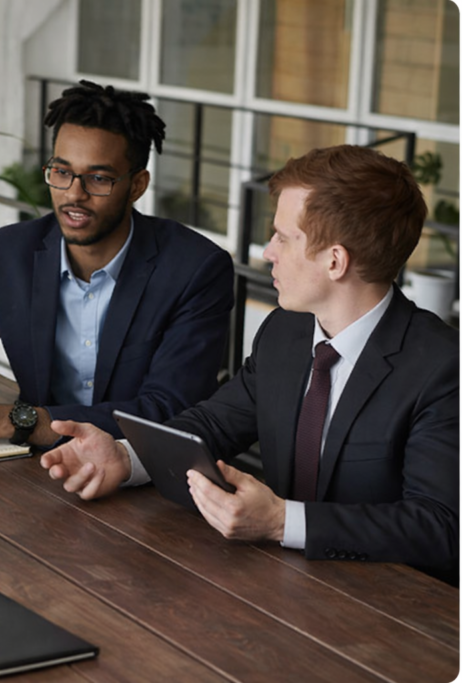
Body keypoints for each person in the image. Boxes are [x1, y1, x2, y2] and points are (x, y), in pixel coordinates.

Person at [40, 145, 458, 581]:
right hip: (275, 585)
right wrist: (125, 459)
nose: (267, 252)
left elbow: (440, 527)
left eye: (283, 237)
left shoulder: (444, 369)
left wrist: (281, 521)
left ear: (335, 260)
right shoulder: (285, 331)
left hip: (393, 611)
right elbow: (215, 425)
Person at [0, 80, 233, 448]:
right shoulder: (9, 255)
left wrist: (10, 421)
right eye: (61, 172)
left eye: (99, 178)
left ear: (137, 185)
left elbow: (168, 411)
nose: (74, 194)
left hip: (145, 478)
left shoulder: (195, 270)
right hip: (41, 474)